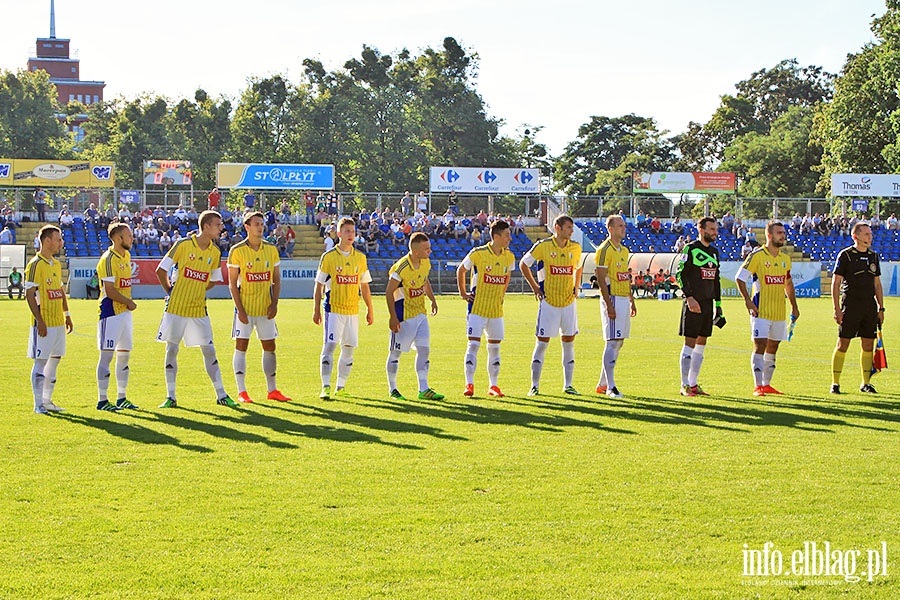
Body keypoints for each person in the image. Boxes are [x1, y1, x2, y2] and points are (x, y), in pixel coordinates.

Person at [155, 210, 236, 408]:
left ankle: (221, 394)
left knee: (209, 350)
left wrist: (198, 289)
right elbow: (161, 270)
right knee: (172, 348)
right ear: (206, 226)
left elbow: (214, 281)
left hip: (199, 308)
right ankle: (170, 396)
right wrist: (171, 291)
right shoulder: (183, 245)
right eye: (217, 224)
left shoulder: (215, 252)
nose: (221, 228)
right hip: (176, 307)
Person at [227, 211, 291, 404]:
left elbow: (276, 279)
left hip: (265, 309)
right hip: (245, 309)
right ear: (247, 227)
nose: (260, 227)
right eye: (256, 224)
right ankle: (242, 391)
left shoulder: (271, 250)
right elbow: (232, 284)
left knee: (270, 347)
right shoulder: (237, 251)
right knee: (241, 347)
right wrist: (240, 309)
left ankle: (272, 390)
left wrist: (274, 303)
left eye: (262, 224)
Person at [520, 214, 583, 396]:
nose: (571, 231)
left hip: (568, 302)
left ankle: (568, 385)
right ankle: (534, 386)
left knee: (569, 342)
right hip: (549, 302)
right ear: (558, 227)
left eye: (572, 228)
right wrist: (535, 287)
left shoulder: (575, 248)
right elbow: (524, 264)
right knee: (542, 343)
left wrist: (576, 287)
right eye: (568, 227)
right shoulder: (543, 246)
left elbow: (578, 267)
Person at [735, 221, 800, 397]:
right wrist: (748, 301)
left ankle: (767, 384)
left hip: (779, 311)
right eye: (779, 233)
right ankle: (758, 386)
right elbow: (740, 278)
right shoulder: (757, 256)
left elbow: (788, 283)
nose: (783, 236)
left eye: (784, 233)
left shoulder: (785, 259)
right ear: (769, 235)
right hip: (760, 310)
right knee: (760, 345)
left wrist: (794, 306)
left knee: (773, 346)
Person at [313, 217, 375, 399]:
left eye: (353, 232)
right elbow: (319, 285)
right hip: (333, 308)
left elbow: (364, 285)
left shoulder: (360, 258)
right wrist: (316, 309)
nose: (351, 235)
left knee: (348, 348)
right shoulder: (329, 257)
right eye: (347, 231)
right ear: (339, 234)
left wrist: (370, 309)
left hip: (353, 310)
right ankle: (325, 386)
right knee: (330, 345)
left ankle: (341, 386)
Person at [456, 219, 516, 398]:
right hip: (477, 307)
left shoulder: (509, 256)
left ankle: (494, 385)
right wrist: (463, 293)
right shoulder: (478, 253)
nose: (509, 239)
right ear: (496, 237)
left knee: (495, 348)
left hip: (496, 309)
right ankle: (469, 383)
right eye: (506, 235)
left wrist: (502, 295)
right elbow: (461, 270)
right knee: (473, 344)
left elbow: (506, 277)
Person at [384, 232, 443, 401]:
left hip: (420, 313)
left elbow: (424, 281)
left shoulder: (425, 262)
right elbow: (388, 292)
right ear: (415, 251)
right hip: (404, 315)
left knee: (424, 350)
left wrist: (432, 299)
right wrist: (393, 317)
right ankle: (393, 388)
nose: (430, 251)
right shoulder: (401, 267)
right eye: (426, 249)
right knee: (395, 353)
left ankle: (423, 389)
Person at [830, 223, 885, 394]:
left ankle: (865, 383)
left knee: (868, 344)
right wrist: (837, 308)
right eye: (867, 234)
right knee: (843, 343)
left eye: (870, 234)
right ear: (856, 236)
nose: (870, 237)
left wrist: (881, 308)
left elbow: (877, 284)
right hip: (850, 304)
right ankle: (835, 383)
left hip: (869, 306)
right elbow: (836, 282)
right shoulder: (845, 255)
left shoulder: (873, 256)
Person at [25, 225, 72, 414]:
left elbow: (60, 292)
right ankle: (38, 404)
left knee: (55, 359)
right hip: (43, 323)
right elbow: (29, 295)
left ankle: (48, 400)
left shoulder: (56, 263)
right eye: (58, 239)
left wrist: (67, 315)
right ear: (47, 241)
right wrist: (40, 321)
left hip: (58, 322)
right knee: (40, 361)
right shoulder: (35, 264)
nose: (61, 243)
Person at [95, 223, 139, 411]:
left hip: (125, 314)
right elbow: (110, 291)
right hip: (110, 312)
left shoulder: (126, 256)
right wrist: (128, 302)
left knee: (124, 356)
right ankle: (102, 400)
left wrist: (128, 304)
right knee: (106, 356)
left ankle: (122, 397)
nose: (132, 238)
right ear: (118, 238)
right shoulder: (108, 259)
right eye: (128, 236)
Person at [676, 216, 722, 397]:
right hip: (693, 302)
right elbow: (680, 274)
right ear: (701, 230)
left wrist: (718, 306)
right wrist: (689, 297)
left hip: (708, 304)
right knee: (690, 342)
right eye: (712, 229)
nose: (715, 232)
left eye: (716, 229)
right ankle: (684, 385)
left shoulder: (715, 252)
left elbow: (716, 280)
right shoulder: (691, 249)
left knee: (702, 344)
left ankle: (694, 384)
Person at [594, 215, 636, 399]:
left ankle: (603, 383)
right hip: (612, 298)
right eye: (620, 225)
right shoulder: (604, 250)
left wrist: (631, 298)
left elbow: (624, 275)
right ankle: (611, 386)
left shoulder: (624, 250)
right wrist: (608, 304)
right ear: (610, 228)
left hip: (622, 298)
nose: (623, 228)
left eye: (624, 225)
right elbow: (601, 278)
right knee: (612, 341)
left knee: (619, 342)